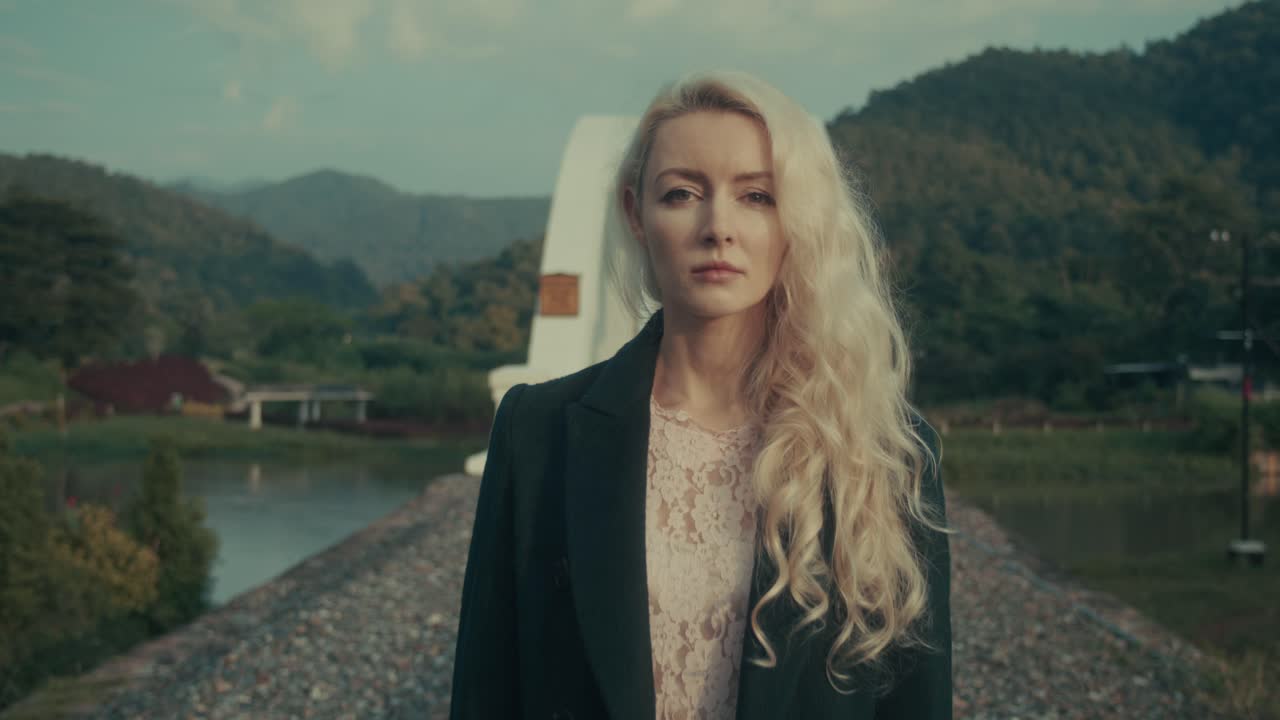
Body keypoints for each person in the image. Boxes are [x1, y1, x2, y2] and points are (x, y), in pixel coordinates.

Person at [450, 70, 952, 720]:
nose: (719, 227)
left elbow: (916, 703)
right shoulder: (535, 430)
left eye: (757, 197)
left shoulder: (884, 453)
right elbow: (487, 691)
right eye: (683, 193)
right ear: (636, 214)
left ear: (798, 219)